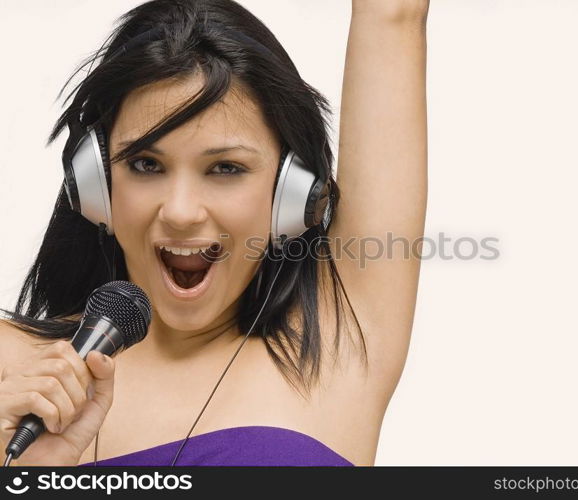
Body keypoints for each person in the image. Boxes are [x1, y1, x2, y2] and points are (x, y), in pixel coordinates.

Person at [0, 0, 428, 466]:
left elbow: (392, 13)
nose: (181, 212)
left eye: (226, 167)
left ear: (290, 194)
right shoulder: (14, 376)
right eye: (146, 164)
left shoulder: (341, 339)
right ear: (95, 185)